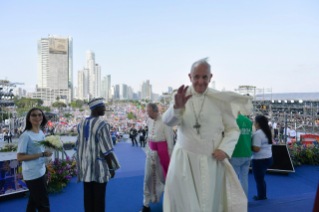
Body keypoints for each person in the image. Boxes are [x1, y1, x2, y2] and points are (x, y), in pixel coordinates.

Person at [162, 58, 253, 212]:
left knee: (211, 203)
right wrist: (177, 107)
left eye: (205, 77)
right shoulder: (180, 97)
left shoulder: (219, 99)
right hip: (185, 161)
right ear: (190, 77)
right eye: (196, 77)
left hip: (212, 160)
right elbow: (168, 122)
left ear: (210, 77)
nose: (200, 81)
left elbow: (233, 129)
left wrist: (225, 149)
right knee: (185, 205)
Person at [75, 98, 121, 212]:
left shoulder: (81, 124)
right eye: (103, 107)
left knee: (88, 197)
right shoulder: (103, 124)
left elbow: (78, 146)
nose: (105, 109)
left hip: (86, 168)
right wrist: (111, 168)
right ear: (96, 108)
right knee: (99, 198)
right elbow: (106, 150)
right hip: (99, 167)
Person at [17, 108, 53, 212]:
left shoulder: (41, 133)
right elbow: (20, 157)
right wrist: (41, 154)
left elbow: (41, 151)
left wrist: (46, 157)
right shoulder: (26, 136)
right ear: (29, 118)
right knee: (44, 205)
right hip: (32, 174)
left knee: (32, 203)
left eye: (39, 115)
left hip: (41, 170)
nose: (37, 117)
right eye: (34, 115)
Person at [140, 103, 174, 212]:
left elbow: (170, 142)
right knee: (147, 178)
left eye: (150, 113)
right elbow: (149, 136)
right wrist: (147, 150)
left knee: (164, 179)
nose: (149, 116)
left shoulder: (166, 121)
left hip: (163, 155)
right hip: (151, 153)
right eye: (147, 113)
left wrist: (171, 159)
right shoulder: (149, 120)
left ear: (156, 111)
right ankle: (146, 204)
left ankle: (169, 204)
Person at [230, 111, 253, 198]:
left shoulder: (233, 120)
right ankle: (244, 201)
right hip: (247, 153)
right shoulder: (248, 121)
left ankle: (234, 201)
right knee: (244, 180)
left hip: (236, 153)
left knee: (233, 180)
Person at [251, 115, 273, 201]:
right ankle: (263, 195)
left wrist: (247, 146)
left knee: (259, 180)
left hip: (259, 160)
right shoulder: (267, 132)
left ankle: (261, 197)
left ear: (257, 123)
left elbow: (256, 149)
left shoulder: (257, 134)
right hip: (268, 158)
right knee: (261, 179)